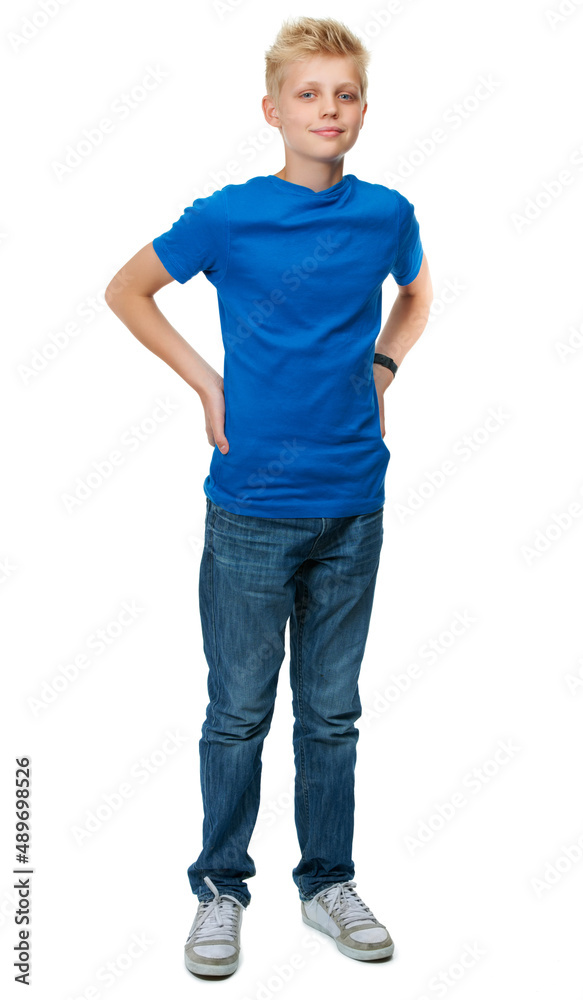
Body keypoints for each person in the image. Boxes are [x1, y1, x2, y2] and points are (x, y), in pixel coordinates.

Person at [105, 14, 433, 979]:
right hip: (249, 507)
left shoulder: (387, 214)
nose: (326, 110)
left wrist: (383, 364)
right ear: (271, 109)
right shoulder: (230, 216)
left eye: (344, 95)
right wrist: (207, 385)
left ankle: (326, 881)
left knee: (331, 712)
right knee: (238, 711)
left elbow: (416, 295)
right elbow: (127, 289)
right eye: (307, 94)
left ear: (362, 110)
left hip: (352, 504)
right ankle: (219, 888)